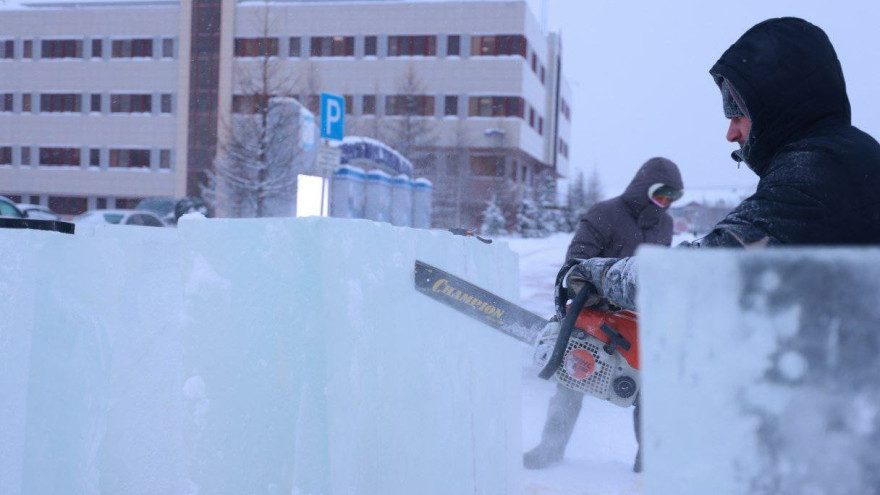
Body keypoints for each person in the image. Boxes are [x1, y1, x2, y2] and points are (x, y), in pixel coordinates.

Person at [523, 157, 683, 471]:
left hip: (636, 320)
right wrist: (598, 289)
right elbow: (577, 261)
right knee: (571, 379)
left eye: (672, 197)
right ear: (644, 186)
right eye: (661, 193)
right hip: (594, 313)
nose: (665, 202)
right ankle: (550, 448)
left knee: (649, 391)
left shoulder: (665, 224)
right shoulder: (605, 213)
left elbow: (660, 271)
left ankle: (648, 462)